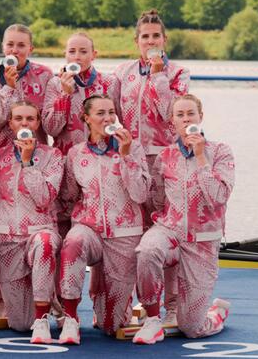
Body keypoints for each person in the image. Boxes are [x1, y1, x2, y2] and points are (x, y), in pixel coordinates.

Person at [133, 94, 235, 344]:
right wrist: (163, 224)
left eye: (191, 113)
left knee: (191, 328)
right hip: (170, 231)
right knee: (147, 250)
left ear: (200, 117)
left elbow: (219, 197)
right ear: (172, 122)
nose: (186, 118)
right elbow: (157, 199)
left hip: (202, 241)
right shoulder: (165, 156)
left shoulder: (221, 151)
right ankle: (153, 319)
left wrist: (200, 157)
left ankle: (217, 312)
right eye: (180, 115)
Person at [114, 9, 190, 326]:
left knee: (166, 232)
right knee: (135, 233)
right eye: (145, 37)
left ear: (164, 39)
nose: (151, 41)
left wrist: (159, 77)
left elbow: (168, 114)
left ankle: (172, 305)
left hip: (166, 160)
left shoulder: (178, 73)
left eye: (156, 36)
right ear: (137, 41)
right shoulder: (124, 71)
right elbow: (116, 111)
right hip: (132, 157)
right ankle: (144, 303)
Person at [58, 95, 151, 344]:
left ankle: (105, 304)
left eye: (111, 112)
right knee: (73, 242)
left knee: (113, 327)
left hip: (124, 234)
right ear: (86, 119)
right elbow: (68, 197)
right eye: (100, 113)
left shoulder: (133, 147)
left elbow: (140, 194)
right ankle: (70, 318)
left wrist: (127, 156)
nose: (108, 117)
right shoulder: (75, 154)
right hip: (88, 228)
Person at [0, 101, 63, 343]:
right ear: (10, 124)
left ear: (38, 123)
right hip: (7, 238)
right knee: (21, 324)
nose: (25, 123)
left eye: (30, 119)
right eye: (19, 119)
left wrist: (27, 161)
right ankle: (47, 298)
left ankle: (43, 319)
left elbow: (44, 198)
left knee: (44, 245)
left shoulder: (53, 156)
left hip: (39, 231)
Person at [42, 32, 120, 156]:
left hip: (102, 156)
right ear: (65, 54)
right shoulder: (55, 83)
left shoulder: (110, 82)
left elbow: (119, 122)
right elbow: (51, 130)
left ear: (93, 55)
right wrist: (65, 95)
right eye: (72, 52)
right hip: (67, 157)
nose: (77, 57)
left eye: (83, 52)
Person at [0, 24, 53, 151]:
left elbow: (49, 123)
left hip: (35, 150)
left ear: (30, 49)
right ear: (3, 47)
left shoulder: (45, 75)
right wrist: (9, 88)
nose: (14, 50)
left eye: (21, 45)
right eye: (10, 45)